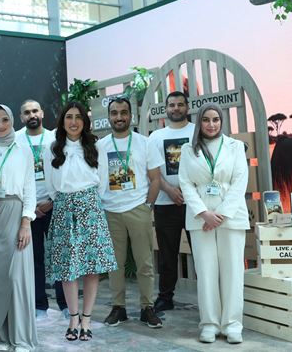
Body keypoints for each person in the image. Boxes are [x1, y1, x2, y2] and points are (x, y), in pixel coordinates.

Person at [44, 101, 117, 342]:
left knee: (91, 268)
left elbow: (103, 182)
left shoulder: (96, 147)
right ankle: (73, 318)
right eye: (69, 117)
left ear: (85, 122)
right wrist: (67, 200)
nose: (73, 122)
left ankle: (86, 319)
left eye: (78, 117)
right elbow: (51, 185)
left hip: (91, 209)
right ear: (62, 121)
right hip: (64, 208)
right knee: (68, 269)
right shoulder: (52, 148)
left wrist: (88, 201)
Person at [178, 103, 249, 344]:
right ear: (199, 122)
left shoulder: (235, 146)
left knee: (233, 272)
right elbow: (185, 183)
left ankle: (232, 325)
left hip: (231, 218)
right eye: (206, 119)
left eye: (215, 119)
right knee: (206, 272)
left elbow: (240, 181)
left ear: (221, 121)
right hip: (201, 221)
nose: (211, 124)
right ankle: (209, 324)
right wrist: (203, 213)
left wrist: (221, 214)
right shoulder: (188, 149)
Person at [98, 97, 164, 328]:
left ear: (131, 116)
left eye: (123, 112)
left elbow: (155, 179)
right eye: (114, 113)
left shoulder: (144, 143)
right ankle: (119, 307)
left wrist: (147, 206)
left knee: (144, 262)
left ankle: (147, 308)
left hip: (138, 208)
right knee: (114, 263)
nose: (119, 117)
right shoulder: (100, 146)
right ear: (109, 116)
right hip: (110, 210)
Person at [0, 104, 38, 351]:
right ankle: (1, 336)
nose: (1, 125)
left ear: (12, 121)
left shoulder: (23, 149)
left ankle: (22, 338)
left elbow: (30, 189)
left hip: (16, 216)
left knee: (18, 278)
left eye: (5, 119)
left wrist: (26, 222)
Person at [15, 99, 68, 319]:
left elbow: (63, 171)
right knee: (34, 258)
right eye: (27, 112)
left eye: (35, 111)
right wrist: (28, 206)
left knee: (60, 256)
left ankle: (65, 304)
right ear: (21, 117)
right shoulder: (16, 139)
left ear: (42, 113)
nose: (32, 115)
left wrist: (53, 201)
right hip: (28, 210)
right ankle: (39, 305)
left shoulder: (55, 138)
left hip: (53, 205)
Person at [147, 91, 195, 312]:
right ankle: (165, 297)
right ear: (165, 109)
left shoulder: (197, 132)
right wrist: (168, 189)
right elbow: (151, 169)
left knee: (202, 253)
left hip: (195, 204)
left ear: (187, 107)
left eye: (180, 104)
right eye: (172, 105)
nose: (176, 108)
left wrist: (187, 191)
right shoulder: (156, 137)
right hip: (165, 204)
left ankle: (209, 297)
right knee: (167, 255)